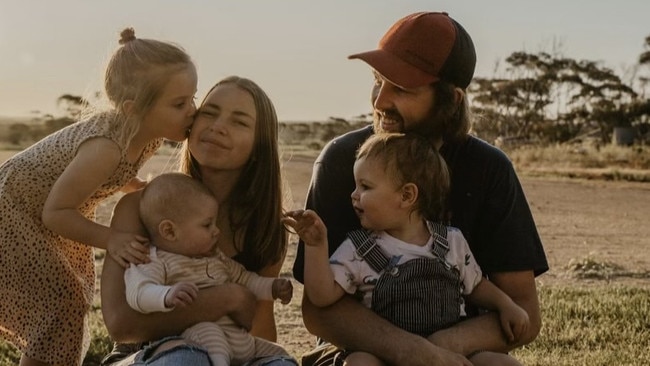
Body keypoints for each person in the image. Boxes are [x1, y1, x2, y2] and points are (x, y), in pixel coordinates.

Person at [291, 11, 549, 365]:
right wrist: (409, 350)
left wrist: (440, 348)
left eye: (402, 88)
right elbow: (318, 311)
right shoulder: (341, 160)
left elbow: (524, 315)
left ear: (451, 100)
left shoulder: (490, 169)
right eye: (378, 80)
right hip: (359, 354)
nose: (380, 101)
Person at [0, 27, 196, 366]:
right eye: (179, 104)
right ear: (134, 109)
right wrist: (113, 239)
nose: (192, 110)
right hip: (15, 212)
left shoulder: (147, 136)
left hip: (42, 213)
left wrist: (134, 185)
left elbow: (115, 173)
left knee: (65, 302)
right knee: (61, 300)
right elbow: (56, 212)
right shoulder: (105, 147)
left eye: (193, 98)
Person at [100, 76, 297, 366]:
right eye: (210, 112)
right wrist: (226, 298)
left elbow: (259, 325)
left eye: (239, 122)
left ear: (259, 147)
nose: (218, 126)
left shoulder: (266, 228)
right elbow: (122, 325)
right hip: (148, 356)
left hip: (226, 352)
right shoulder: (140, 208)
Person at [285, 133, 530, 365]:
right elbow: (321, 296)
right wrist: (316, 246)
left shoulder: (451, 242)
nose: (353, 195)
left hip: (446, 356)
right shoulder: (359, 249)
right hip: (383, 354)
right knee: (360, 362)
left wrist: (505, 305)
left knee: (502, 362)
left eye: (365, 187)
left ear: (407, 195)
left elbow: (475, 285)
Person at [126, 172, 294, 366]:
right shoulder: (154, 259)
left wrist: (273, 288)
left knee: (280, 356)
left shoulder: (216, 258)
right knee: (210, 334)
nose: (217, 231)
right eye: (207, 225)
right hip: (200, 338)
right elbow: (139, 291)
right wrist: (166, 295)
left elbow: (246, 280)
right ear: (170, 231)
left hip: (238, 340)